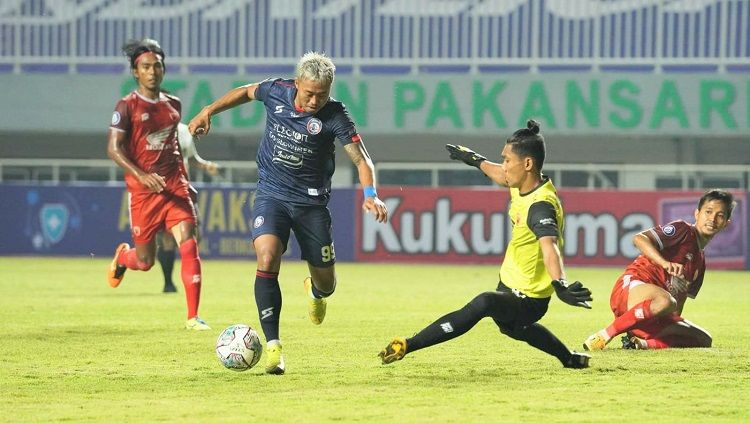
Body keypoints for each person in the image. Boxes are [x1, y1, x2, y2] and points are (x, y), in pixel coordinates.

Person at [188, 51, 389, 375]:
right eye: (309, 93)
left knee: (327, 284)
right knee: (266, 257)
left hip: (311, 205)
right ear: (297, 84)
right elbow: (245, 91)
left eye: (322, 94)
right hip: (272, 194)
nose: (314, 100)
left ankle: (316, 291)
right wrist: (207, 111)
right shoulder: (276, 91)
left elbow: (362, 159)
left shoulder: (335, 115)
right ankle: (273, 348)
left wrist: (371, 195)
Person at [379, 120, 593, 369]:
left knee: (485, 303)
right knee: (513, 329)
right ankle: (568, 358)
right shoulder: (522, 182)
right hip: (510, 281)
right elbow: (499, 174)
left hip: (529, 297)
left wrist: (560, 283)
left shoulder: (540, 205)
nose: (503, 166)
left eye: (507, 160)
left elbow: (550, 246)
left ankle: (408, 344)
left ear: (527, 164)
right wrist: (472, 158)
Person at [105, 38, 210, 331]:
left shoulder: (173, 104)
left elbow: (173, 145)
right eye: (145, 67)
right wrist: (141, 175)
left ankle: (193, 316)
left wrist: (185, 180)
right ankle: (124, 257)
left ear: (163, 69)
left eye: (157, 66)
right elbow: (113, 149)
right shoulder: (126, 106)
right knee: (145, 260)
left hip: (174, 185)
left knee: (189, 241)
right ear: (135, 72)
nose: (152, 71)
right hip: (143, 193)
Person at [583, 189, 735, 351]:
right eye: (708, 212)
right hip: (630, 290)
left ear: (726, 223)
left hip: (651, 311)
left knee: (703, 338)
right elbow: (639, 239)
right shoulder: (683, 230)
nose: (712, 218)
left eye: (720, 215)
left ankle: (640, 344)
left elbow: (679, 304)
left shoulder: (700, 263)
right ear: (697, 214)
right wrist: (664, 263)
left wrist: (673, 326)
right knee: (666, 301)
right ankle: (603, 336)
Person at [157, 122, 219, 294]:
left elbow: (191, 158)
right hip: (162, 191)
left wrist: (206, 165)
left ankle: (187, 280)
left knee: (195, 236)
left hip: (184, 189)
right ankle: (168, 283)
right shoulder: (152, 130)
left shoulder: (183, 130)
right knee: (167, 239)